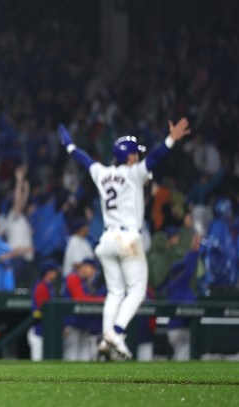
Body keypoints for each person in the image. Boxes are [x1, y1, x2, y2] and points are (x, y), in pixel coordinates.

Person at [58, 118, 191, 360]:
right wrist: (171, 139)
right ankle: (115, 334)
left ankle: (107, 337)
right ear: (129, 157)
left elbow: (83, 159)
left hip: (107, 240)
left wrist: (68, 145)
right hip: (128, 237)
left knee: (115, 292)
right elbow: (156, 158)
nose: (138, 157)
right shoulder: (133, 173)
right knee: (137, 291)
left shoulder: (103, 173)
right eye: (135, 154)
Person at [159, 235, 201, 361]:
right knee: (183, 358)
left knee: (181, 354)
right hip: (179, 327)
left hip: (175, 328)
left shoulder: (172, 284)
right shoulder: (178, 283)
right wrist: (194, 250)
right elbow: (188, 270)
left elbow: (187, 269)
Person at [62, 258, 104, 361]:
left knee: (84, 354)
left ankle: (83, 377)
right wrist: (101, 300)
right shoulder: (73, 277)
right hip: (72, 322)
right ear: (86, 267)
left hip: (82, 323)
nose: (94, 273)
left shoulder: (84, 281)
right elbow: (79, 298)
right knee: (71, 354)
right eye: (93, 269)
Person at [27, 260, 60, 361]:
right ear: (48, 272)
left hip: (45, 329)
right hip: (38, 330)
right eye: (54, 271)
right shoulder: (41, 286)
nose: (56, 273)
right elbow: (42, 308)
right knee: (38, 362)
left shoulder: (48, 286)